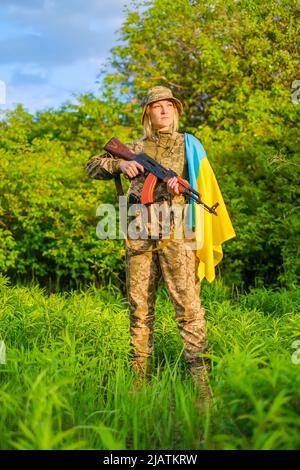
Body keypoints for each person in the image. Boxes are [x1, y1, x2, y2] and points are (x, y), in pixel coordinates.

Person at [86, 86, 235, 398]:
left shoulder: (187, 146)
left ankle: (202, 388)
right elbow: (91, 166)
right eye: (157, 106)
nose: (165, 110)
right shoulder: (134, 146)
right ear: (147, 114)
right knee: (140, 312)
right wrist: (120, 165)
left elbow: (201, 184)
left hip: (177, 237)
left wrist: (179, 188)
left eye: (169, 105)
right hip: (138, 237)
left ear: (176, 112)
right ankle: (138, 386)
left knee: (190, 310)